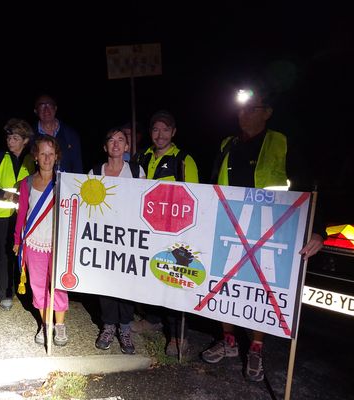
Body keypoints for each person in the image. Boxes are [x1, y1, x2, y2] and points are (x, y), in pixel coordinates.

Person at [201, 85, 325, 382]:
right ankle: (228, 340)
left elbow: (310, 188)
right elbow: (210, 185)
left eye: (251, 108)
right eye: (240, 109)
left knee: (260, 290)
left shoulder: (281, 143)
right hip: (228, 227)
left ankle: (256, 346)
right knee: (222, 284)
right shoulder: (227, 144)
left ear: (267, 113)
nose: (243, 114)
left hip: (269, 231)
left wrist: (318, 230)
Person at [131, 110, 199, 357]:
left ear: (174, 132)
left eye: (165, 130)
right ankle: (151, 319)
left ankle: (178, 336)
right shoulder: (141, 156)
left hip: (174, 233)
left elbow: (194, 198)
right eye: (156, 130)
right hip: (146, 230)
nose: (160, 135)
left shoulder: (183, 159)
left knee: (173, 282)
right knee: (148, 277)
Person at [89, 127, 145, 354]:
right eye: (111, 140)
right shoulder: (94, 171)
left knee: (126, 285)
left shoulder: (135, 170)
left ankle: (125, 328)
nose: (116, 144)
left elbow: (142, 202)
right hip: (104, 238)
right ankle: (108, 326)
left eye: (121, 140)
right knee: (106, 283)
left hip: (128, 239)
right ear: (105, 147)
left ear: (127, 146)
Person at [13, 135, 69, 346]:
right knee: (37, 286)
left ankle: (60, 326)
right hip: (34, 243)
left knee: (59, 285)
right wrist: (18, 240)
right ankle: (45, 325)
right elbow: (22, 215)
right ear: (35, 156)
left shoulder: (64, 182)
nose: (47, 158)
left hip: (57, 244)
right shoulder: (27, 182)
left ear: (57, 157)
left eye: (51, 154)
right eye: (43, 154)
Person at [0, 118, 35, 310]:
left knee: (26, 253)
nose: (10, 141)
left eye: (14, 138)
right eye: (8, 137)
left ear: (25, 140)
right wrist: (6, 194)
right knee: (5, 253)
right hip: (2, 215)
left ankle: (28, 292)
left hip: (25, 215)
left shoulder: (33, 160)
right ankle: (5, 292)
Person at [33, 93, 83, 173]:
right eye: (42, 106)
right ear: (36, 111)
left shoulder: (70, 134)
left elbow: (77, 166)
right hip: (38, 183)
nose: (46, 110)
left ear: (55, 108)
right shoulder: (30, 135)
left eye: (49, 105)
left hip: (65, 183)